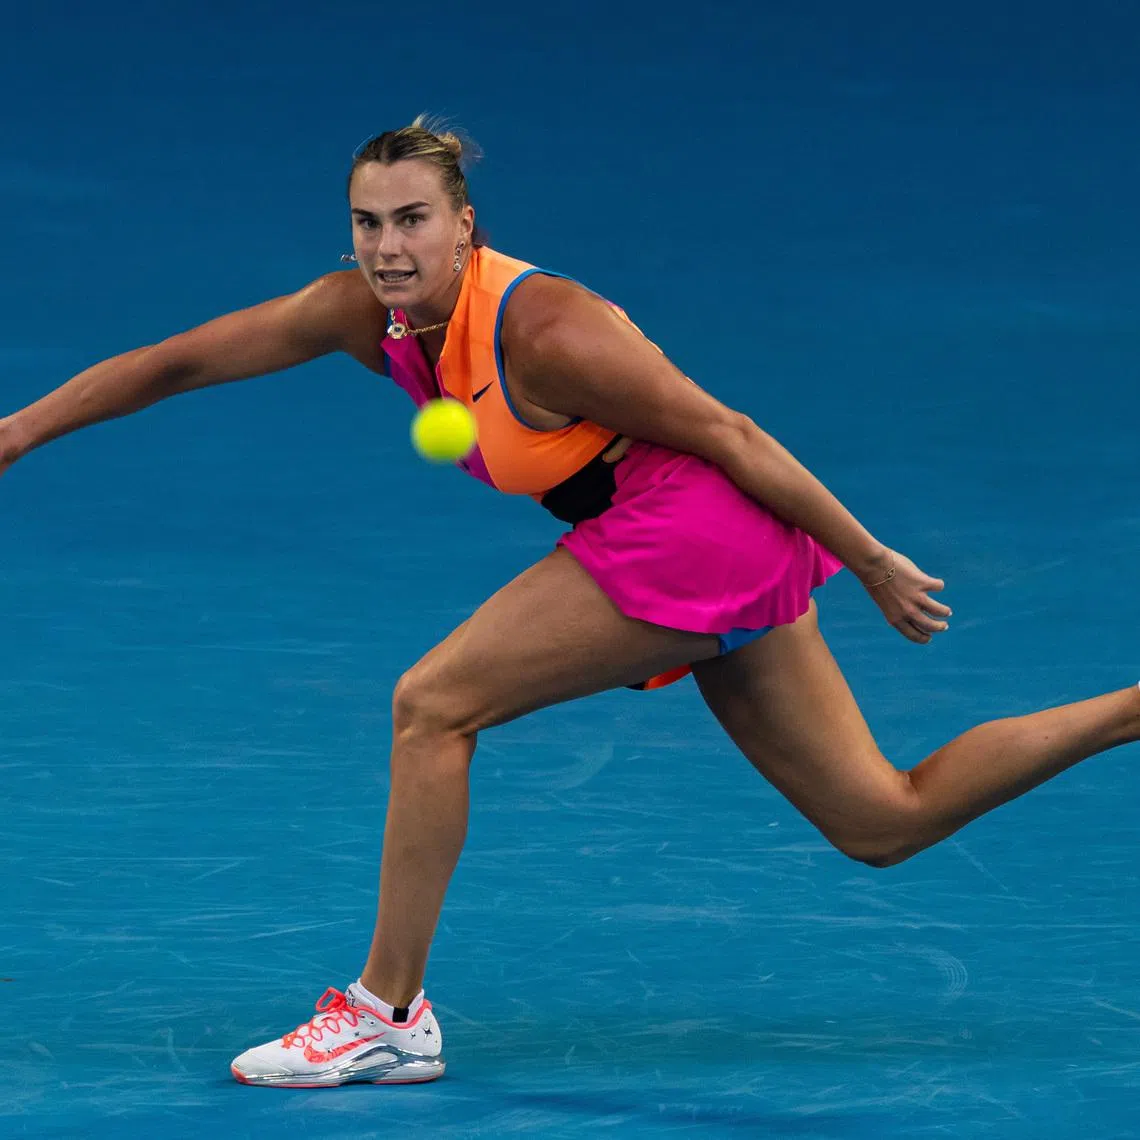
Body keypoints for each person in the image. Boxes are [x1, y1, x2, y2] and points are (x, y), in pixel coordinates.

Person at [2, 117, 1137, 1090]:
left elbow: (729, 435)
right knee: (881, 821)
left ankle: (389, 1019)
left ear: (465, 226)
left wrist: (872, 558)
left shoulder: (547, 328)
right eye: (368, 223)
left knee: (432, 704)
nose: (388, 247)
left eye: (411, 221)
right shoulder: (365, 313)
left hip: (692, 525)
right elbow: (176, 361)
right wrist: (18, 430)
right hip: (687, 536)